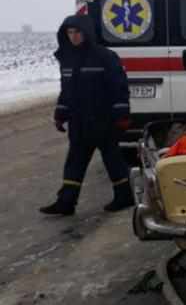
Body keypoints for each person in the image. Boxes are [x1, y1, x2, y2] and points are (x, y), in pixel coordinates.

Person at [39, 15, 133, 215]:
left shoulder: (105, 56)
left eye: (77, 32)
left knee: (113, 160)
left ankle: (124, 196)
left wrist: (122, 114)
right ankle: (66, 202)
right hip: (79, 121)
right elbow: (66, 90)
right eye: (70, 33)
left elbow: (119, 87)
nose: (73, 36)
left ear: (87, 33)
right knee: (74, 162)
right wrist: (60, 113)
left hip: (103, 120)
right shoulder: (67, 58)